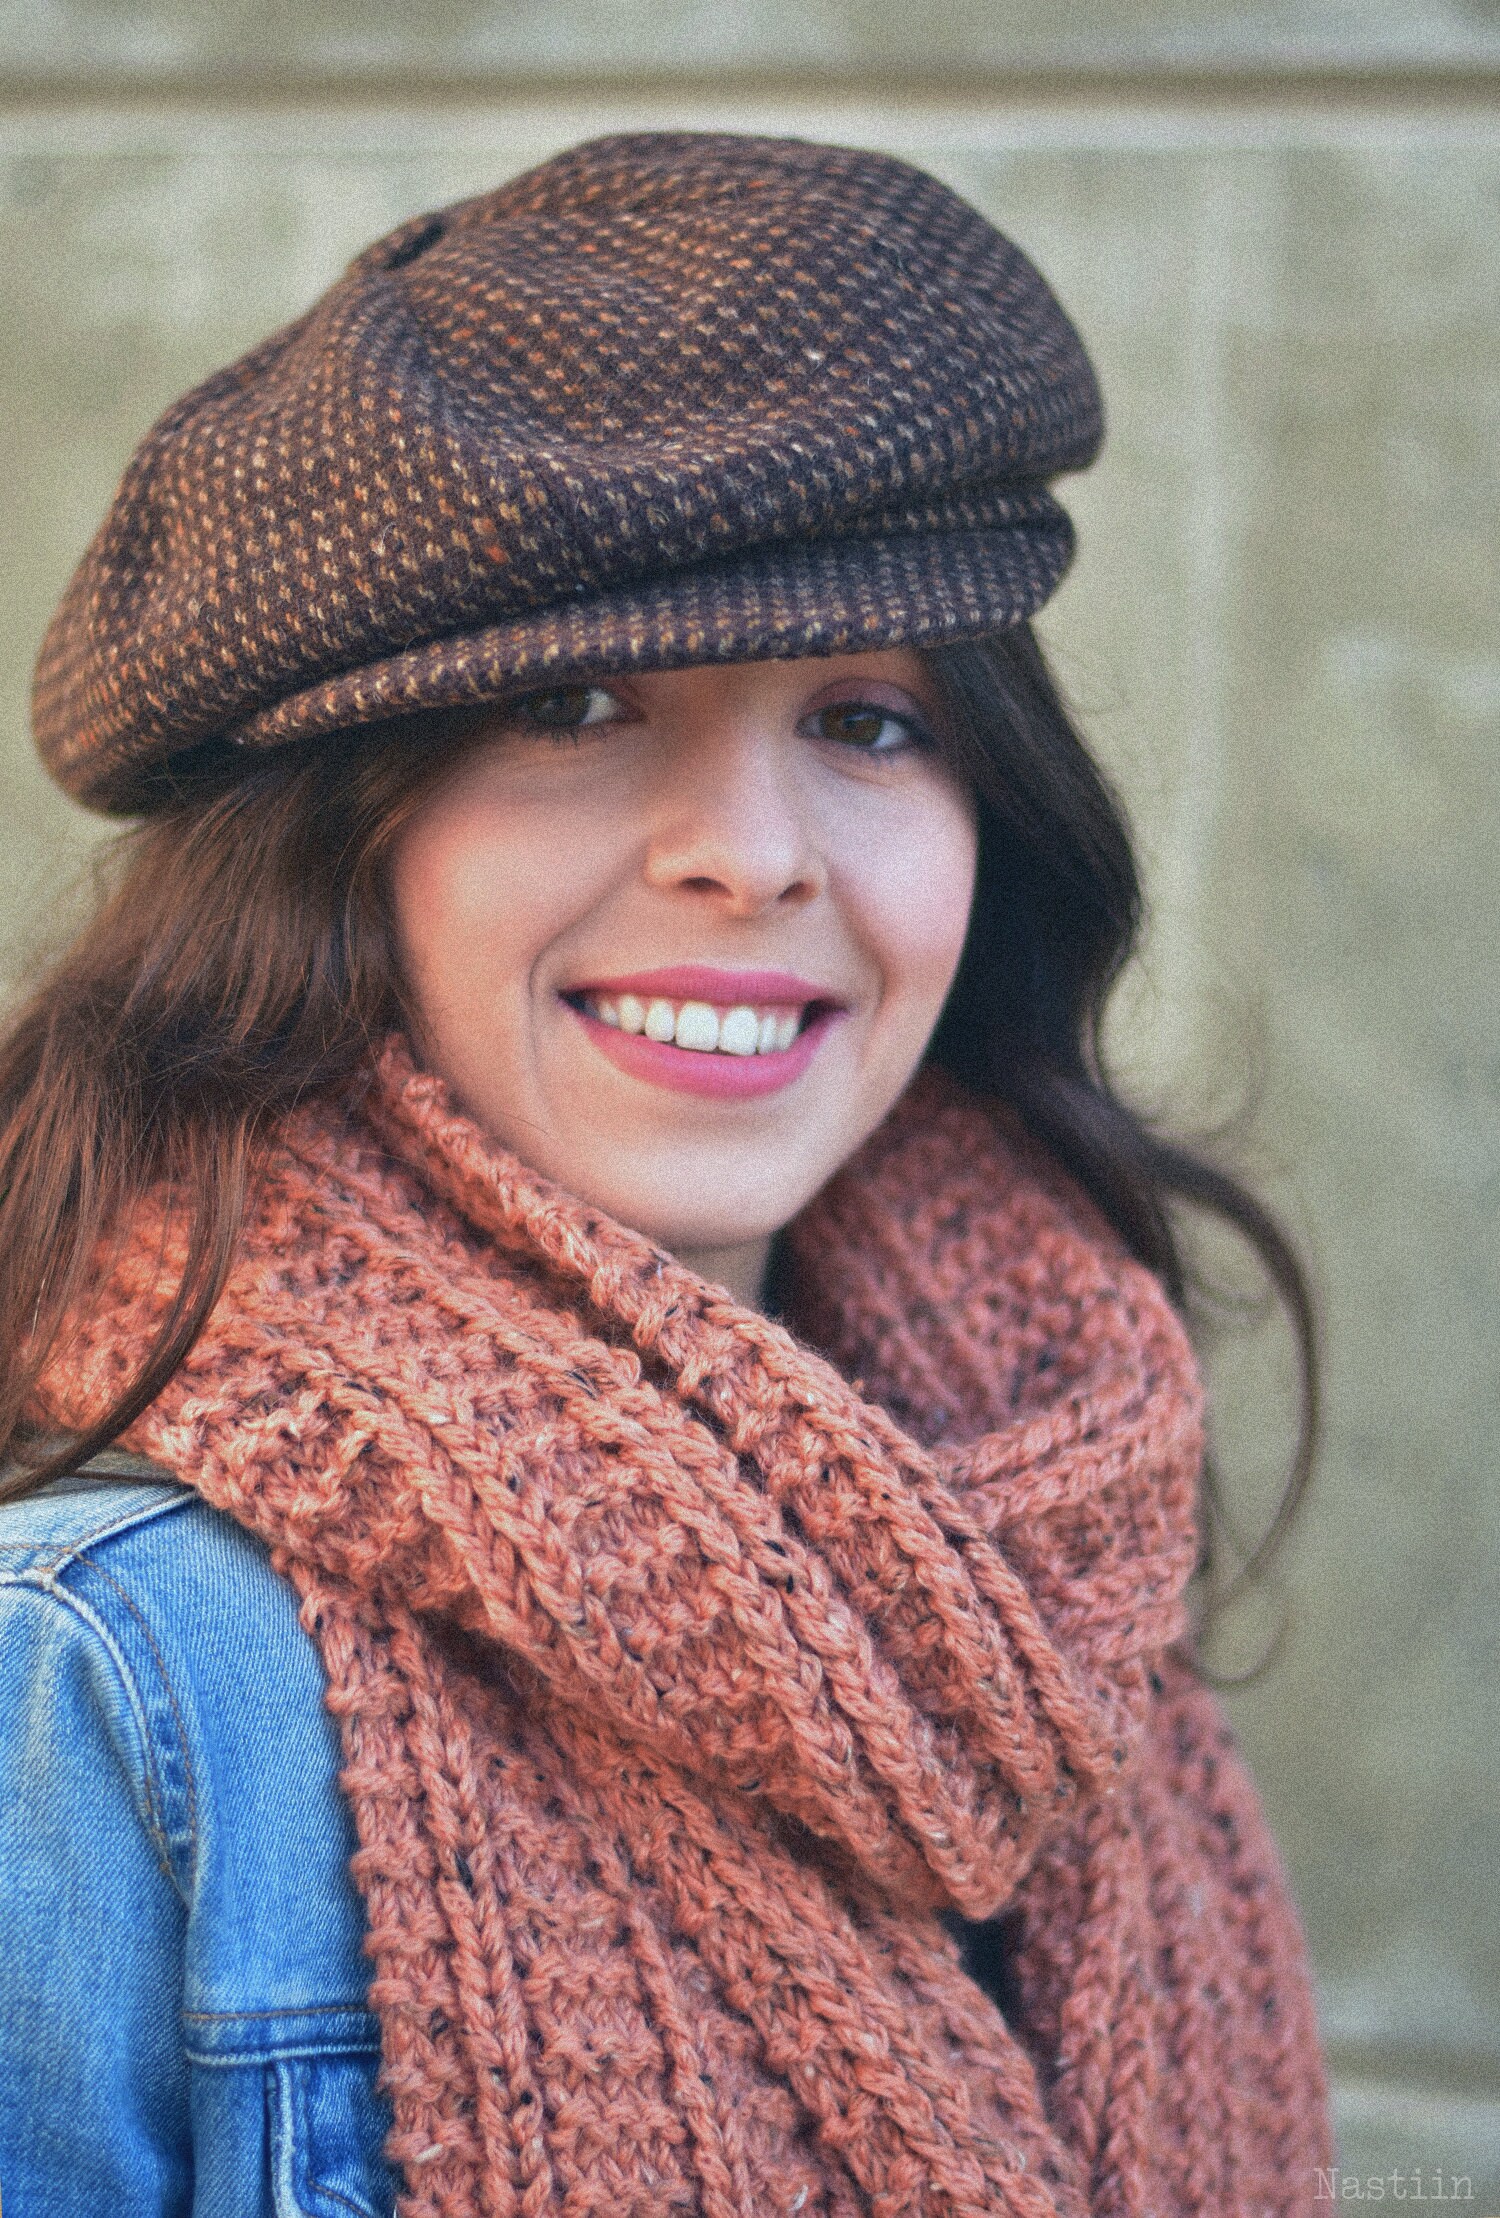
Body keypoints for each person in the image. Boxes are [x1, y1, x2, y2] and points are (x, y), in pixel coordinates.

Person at [0, 131, 1333, 2216]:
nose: (756, 847)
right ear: (344, 846)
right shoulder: (103, 1673)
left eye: (870, 719)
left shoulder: (1055, 1552)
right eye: (583, 701)